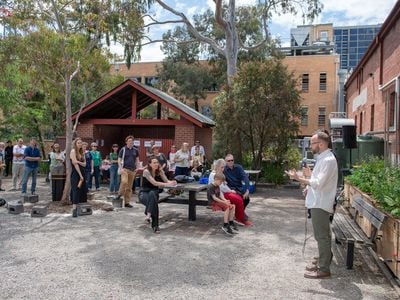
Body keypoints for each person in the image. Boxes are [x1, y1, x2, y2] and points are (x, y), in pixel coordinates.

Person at [286, 131, 338, 279]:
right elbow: (317, 180)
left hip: (320, 203)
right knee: (322, 235)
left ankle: (324, 269)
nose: (310, 146)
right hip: (318, 201)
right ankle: (324, 259)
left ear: (321, 144)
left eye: (312, 143)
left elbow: (319, 184)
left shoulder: (328, 160)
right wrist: (308, 179)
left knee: (322, 236)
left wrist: (299, 179)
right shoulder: (323, 158)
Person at [139, 157, 177, 233]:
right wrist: (167, 184)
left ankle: (150, 218)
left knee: (153, 195)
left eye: (157, 162)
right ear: (150, 164)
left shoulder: (160, 171)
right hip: (144, 193)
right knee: (154, 202)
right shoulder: (146, 171)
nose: (156, 164)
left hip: (154, 192)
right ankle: (154, 224)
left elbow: (166, 181)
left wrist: (172, 182)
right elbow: (155, 183)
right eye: (154, 163)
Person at [209, 159, 252, 226]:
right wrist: (230, 191)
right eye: (222, 167)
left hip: (222, 194)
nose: (223, 169)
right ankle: (241, 219)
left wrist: (230, 190)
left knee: (239, 198)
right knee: (238, 199)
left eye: (224, 167)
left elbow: (223, 186)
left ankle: (239, 217)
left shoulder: (219, 173)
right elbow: (221, 187)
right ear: (217, 166)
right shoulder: (214, 174)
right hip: (217, 196)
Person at [114, 135, 140, 208]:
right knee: (124, 182)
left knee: (129, 188)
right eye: (129, 141)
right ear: (126, 142)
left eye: (132, 141)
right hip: (124, 169)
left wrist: (138, 167)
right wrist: (120, 168)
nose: (130, 142)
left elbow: (137, 160)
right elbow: (119, 159)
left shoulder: (136, 150)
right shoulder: (123, 149)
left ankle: (127, 203)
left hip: (133, 170)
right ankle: (120, 194)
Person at [70, 138, 88, 217]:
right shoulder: (73, 151)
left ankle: (80, 208)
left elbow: (85, 164)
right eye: (78, 143)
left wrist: (78, 161)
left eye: (81, 143)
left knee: (82, 190)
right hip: (76, 173)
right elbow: (75, 164)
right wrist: (80, 175)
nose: (80, 144)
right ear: (75, 143)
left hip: (83, 173)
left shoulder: (82, 152)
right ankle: (74, 209)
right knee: (75, 190)